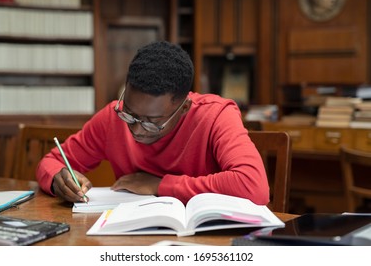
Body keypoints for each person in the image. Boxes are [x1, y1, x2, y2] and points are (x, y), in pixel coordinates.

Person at [36, 41, 269, 205]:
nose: (136, 129)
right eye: (129, 113)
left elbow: (253, 186)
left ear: (184, 107)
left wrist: (160, 186)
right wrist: (58, 179)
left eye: (152, 122)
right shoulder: (112, 117)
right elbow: (52, 161)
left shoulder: (216, 115)